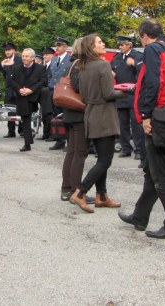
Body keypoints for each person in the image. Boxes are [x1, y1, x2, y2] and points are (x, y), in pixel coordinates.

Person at [118, 19, 165, 240]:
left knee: (162, 175)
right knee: (153, 172)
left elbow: (153, 83)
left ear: (144, 35)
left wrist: (147, 115)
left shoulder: (152, 50)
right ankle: (140, 217)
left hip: (159, 118)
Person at [68, 34, 123, 213]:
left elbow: (83, 94)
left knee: (101, 158)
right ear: (91, 47)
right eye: (99, 42)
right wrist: (128, 90)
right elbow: (109, 94)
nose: (103, 44)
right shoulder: (103, 65)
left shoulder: (83, 66)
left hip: (90, 115)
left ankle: (102, 196)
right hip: (104, 116)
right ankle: (81, 192)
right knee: (105, 160)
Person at [59, 38, 93, 205]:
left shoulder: (71, 63)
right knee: (79, 153)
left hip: (70, 113)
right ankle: (75, 191)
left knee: (72, 152)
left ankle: (67, 189)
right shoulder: (79, 64)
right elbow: (79, 87)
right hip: (78, 114)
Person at [111, 35, 145, 164]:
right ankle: (125, 148)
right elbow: (112, 70)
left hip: (133, 94)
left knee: (136, 124)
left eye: (122, 45)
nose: (120, 47)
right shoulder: (117, 58)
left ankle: (139, 150)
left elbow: (144, 72)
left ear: (129, 45)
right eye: (119, 45)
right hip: (120, 94)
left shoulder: (138, 56)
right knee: (122, 123)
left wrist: (134, 64)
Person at [8, 48, 47, 152]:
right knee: (25, 118)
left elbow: (43, 81)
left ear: (33, 58)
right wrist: (19, 89)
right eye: (23, 56)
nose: (24, 58)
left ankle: (49, 134)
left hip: (35, 95)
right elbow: (11, 81)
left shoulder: (40, 68)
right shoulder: (16, 68)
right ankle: (27, 143)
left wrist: (31, 90)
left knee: (47, 113)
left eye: (27, 56)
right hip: (22, 95)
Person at [48, 37, 72, 150]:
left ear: (65, 47)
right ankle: (59, 140)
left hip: (65, 92)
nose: (56, 48)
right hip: (54, 91)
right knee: (56, 116)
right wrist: (50, 85)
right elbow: (50, 75)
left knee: (66, 116)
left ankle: (69, 141)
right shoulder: (53, 59)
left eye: (59, 46)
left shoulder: (70, 60)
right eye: (56, 46)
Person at [0, 42, 18, 138]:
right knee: (10, 110)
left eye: (9, 50)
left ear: (13, 50)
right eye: (6, 50)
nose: (7, 52)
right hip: (9, 89)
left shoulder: (19, 60)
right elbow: (5, 75)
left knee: (20, 110)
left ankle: (21, 130)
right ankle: (11, 131)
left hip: (18, 88)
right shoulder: (5, 61)